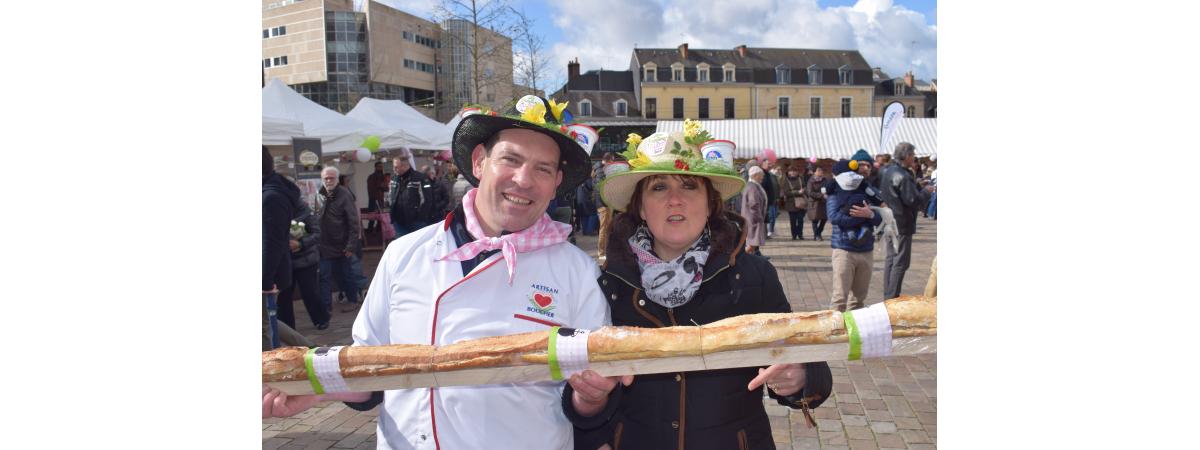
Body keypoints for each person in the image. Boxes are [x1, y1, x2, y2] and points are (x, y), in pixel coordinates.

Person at [263, 95, 610, 449]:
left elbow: (588, 396)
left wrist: (593, 398)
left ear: (556, 182)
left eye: (543, 169)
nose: (524, 180)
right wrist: (317, 391)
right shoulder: (404, 254)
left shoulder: (576, 271)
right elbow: (371, 366)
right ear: (479, 162)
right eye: (511, 159)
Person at [565, 128, 832, 450]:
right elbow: (582, 392)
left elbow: (806, 359)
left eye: (689, 186)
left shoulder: (752, 275)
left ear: (710, 204)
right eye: (659, 187)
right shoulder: (607, 280)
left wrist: (801, 376)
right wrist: (589, 408)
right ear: (641, 208)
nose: (674, 199)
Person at [262, 147, 314, 350]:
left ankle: (267, 370)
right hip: (269, 272)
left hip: (268, 274)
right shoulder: (268, 192)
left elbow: (271, 242)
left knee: (264, 323)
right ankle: (312, 348)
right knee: (266, 319)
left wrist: (264, 282)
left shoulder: (271, 197)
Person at [826, 159, 883, 312]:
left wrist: (870, 214)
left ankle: (855, 333)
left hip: (866, 251)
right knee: (839, 298)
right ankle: (834, 332)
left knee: (859, 299)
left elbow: (880, 219)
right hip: (844, 250)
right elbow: (834, 218)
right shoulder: (835, 194)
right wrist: (861, 217)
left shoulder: (866, 191)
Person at [879, 142, 933, 300]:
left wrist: (915, 185)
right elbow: (912, 200)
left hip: (889, 220)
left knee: (891, 259)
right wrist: (925, 192)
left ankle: (888, 295)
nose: (914, 158)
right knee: (901, 262)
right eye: (913, 155)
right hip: (901, 223)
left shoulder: (888, 170)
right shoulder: (902, 174)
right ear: (907, 156)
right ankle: (892, 297)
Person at [276, 199, 330, 330]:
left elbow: (317, 233)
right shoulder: (273, 209)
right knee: (284, 295)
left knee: (309, 291)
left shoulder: (303, 210)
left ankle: (321, 319)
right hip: (284, 260)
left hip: (306, 259)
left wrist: (300, 243)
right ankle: (288, 328)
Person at [317, 166, 362, 314]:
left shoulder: (344, 194)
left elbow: (353, 222)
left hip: (341, 244)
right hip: (323, 245)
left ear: (337, 179)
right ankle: (325, 306)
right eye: (326, 178)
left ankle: (353, 300)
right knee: (324, 277)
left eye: (332, 178)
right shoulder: (320, 194)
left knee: (346, 275)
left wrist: (350, 246)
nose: (329, 181)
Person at [387, 149, 445, 238]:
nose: (394, 169)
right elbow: (390, 196)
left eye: (396, 167)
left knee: (419, 248)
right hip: (398, 222)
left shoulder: (420, 178)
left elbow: (427, 200)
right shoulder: (394, 179)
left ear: (404, 166)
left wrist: (420, 217)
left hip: (416, 222)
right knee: (402, 248)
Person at [741, 165, 768, 256]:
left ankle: (754, 257)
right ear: (756, 175)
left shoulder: (752, 185)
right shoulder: (752, 187)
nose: (763, 177)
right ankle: (739, 257)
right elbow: (753, 204)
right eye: (761, 175)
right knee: (752, 242)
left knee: (752, 242)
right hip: (753, 219)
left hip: (752, 218)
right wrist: (759, 217)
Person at [594, 152, 617, 263]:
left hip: (602, 204)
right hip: (605, 204)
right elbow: (602, 189)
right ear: (609, 160)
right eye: (612, 161)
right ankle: (602, 254)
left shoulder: (596, 169)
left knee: (606, 229)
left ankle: (604, 252)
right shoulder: (603, 171)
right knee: (604, 229)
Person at [780, 162, 808, 240]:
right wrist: (797, 192)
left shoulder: (800, 178)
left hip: (801, 202)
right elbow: (786, 192)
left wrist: (804, 190)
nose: (792, 172)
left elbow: (805, 187)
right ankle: (794, 235)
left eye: (794, 171)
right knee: (793, 220)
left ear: (797, 172)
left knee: (800, 220)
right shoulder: (786, 180)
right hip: (791, 203)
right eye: (790, 171)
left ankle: (800, 234)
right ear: (788, 172)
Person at [805, 167, 828, 241]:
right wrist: (821, 195)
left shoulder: (825, 180)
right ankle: (817, 235)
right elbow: (810, 192)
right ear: (814, 172)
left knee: (824, 219)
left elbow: (828, 188)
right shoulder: (811, 181)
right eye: (818, 170)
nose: (820, 172)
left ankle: (818, 233)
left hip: (823, 203)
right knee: (815, 220)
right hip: (814, 203)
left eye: (821, 170)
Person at [760, 159, 780, 238]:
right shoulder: (762, 174)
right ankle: (763, 234)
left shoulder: (768, 174)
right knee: (766, 218)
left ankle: (766, 234)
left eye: (770, 164)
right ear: (763, 164)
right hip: (764, 201)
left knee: (768, 218)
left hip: (770, 201)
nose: (770, 165)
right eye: (768, 164)